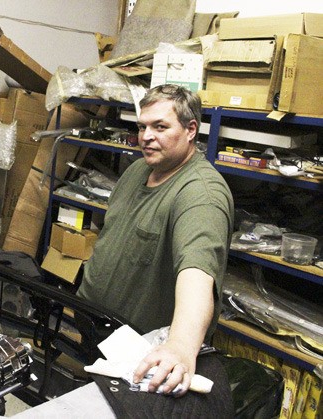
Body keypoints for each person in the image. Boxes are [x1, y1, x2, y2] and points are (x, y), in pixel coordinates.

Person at [76, 84, 234, 397]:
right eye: (142, 126)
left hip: (139, 353)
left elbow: (198, 272)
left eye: (160, 127)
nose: (146, 136)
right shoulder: (138, 168)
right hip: (96, 326)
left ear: (191, 130)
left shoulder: (201, 194)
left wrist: (180, 346)